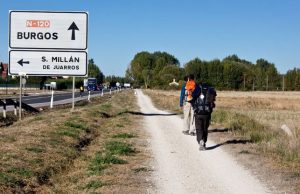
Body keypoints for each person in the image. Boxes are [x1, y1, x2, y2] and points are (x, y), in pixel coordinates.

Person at [192, 83, 216, 150]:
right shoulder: (211, 89)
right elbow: (213, 100)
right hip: (207, 113)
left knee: (199, 128)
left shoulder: (198, 88)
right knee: (205, 128)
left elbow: (192, 97)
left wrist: (194, 107)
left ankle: (200, 141)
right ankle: (204, 142)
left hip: (198, 113)